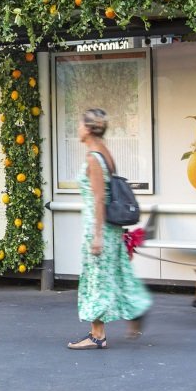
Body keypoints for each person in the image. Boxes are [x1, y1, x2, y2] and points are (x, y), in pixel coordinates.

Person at [68, 109, 152, 350]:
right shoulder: (105, 152)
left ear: (89, 128)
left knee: (96, 280)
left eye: (80, 124)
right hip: (110, 228)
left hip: (98, 227)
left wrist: (96, 237)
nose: (78, 128)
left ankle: (97, 335)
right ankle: (136, 308)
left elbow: (98, 199)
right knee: (116, 275)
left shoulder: (94, 157)